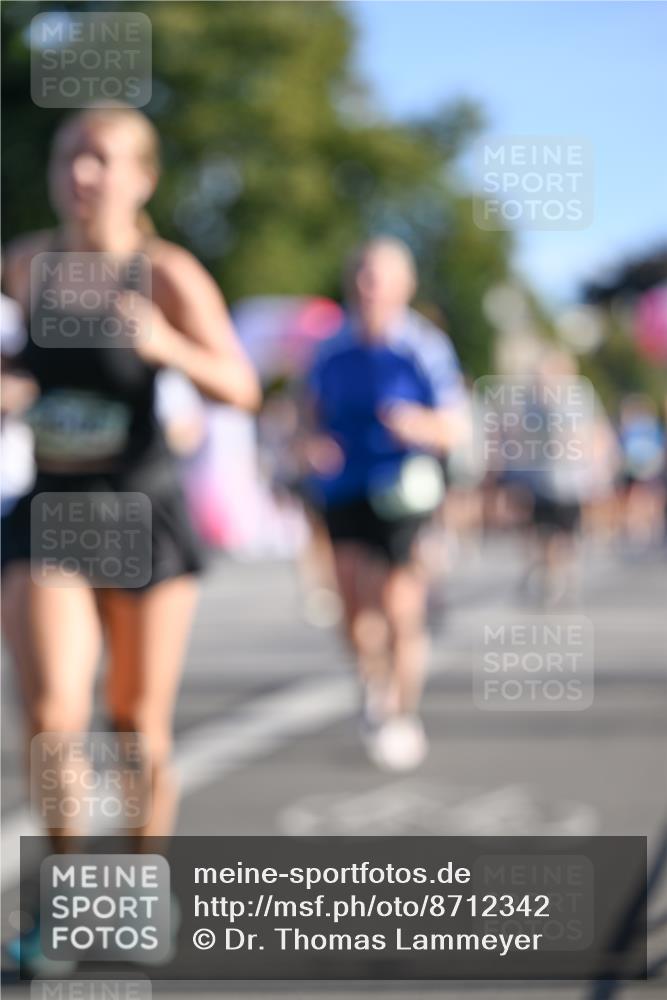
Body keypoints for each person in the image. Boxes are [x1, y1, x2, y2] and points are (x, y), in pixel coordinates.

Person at [1, 104, 261, 861]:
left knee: (134, 721)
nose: (81, 173)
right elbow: (22, 365)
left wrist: (166, 344)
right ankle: (68, 891)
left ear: (142, 179)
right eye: (67, 157)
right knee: (52, 714)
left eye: (101, 159)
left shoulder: (168, 274)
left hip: (142, 510)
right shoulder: (25, 264)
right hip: (52, 506)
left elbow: (241, 389)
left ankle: (142, 879)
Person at [302, 237, 466, 771]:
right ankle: (373, 681)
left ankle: (401, 711)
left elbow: (456, 426)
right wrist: (310, 444)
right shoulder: (331, 349)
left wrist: (418, 425)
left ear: (404, 286)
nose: (370, 287)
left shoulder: (423, 347)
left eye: (382, 277)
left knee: (399, 602)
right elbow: (306, 415)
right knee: (351, 603)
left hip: (403, 487)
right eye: (363, 275)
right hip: (344, 487)